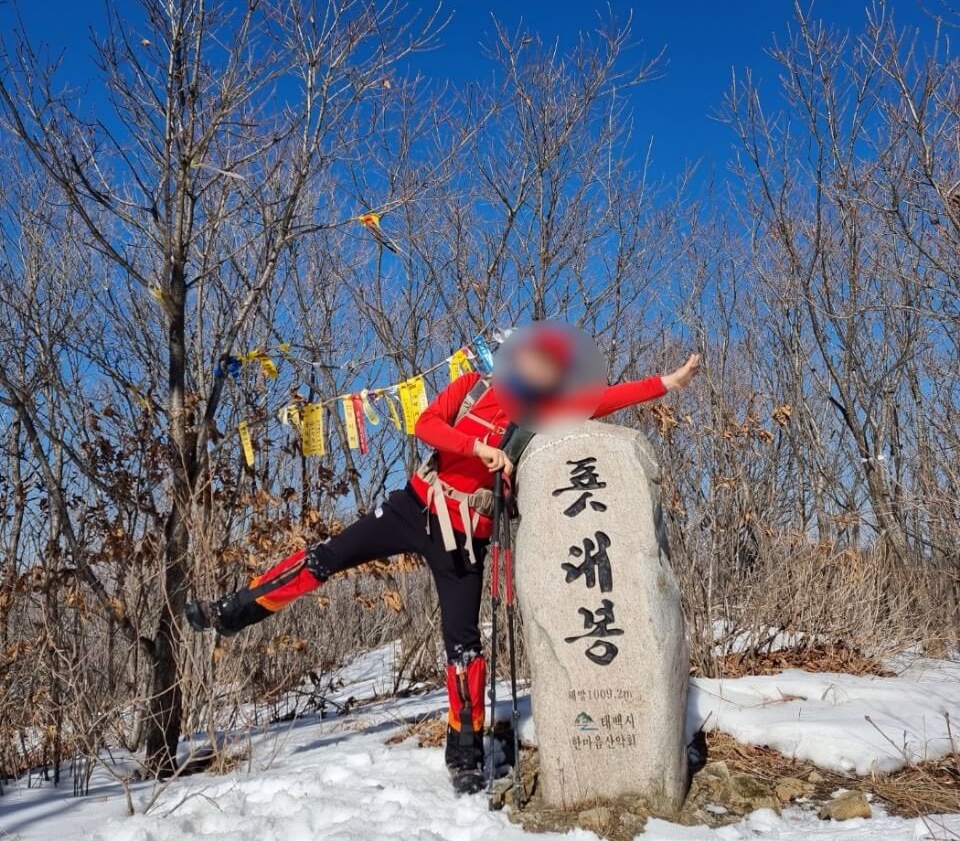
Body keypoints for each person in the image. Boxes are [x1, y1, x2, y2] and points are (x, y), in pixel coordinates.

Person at [186, 332, 701, 793]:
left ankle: (465, 751)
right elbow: (425, 424)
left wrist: (668, 382)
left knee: (463, 644)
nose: (542, 372)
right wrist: (479, 448)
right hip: (416, 505)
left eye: (552, 367)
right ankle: (234, 610)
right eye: (536, 361)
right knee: (327, 556)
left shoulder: (547, 414)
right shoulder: (475, 386)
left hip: (468, 537)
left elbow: (605, 399)